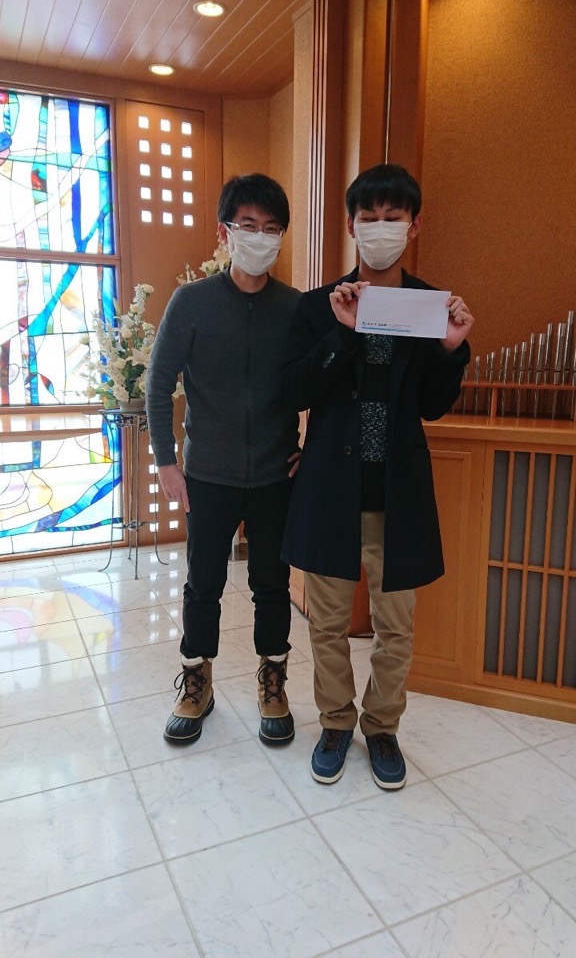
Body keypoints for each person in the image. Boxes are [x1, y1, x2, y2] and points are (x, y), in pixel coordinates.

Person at [280, 163, 474, 789]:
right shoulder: (319, 306)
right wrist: (341, 334)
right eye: (370, 218)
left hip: (398, 494)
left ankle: (382, 726)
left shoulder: (429, 307)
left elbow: (432, 406)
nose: (381, 228)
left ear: (414, 227)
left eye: (394, 218)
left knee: (396, 627)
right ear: (351, 225)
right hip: (331, 491)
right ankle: (336, 722)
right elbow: (296, 390)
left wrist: (450, 348)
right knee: (327, 624)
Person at [146, 173, 301, 747]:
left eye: (272, 228)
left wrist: (308, 449)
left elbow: (323, 385)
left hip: (274, 475)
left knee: (272, 584)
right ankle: (197, 681)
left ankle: (273, 681)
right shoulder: (192, 303)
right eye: (249, 226)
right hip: (207, 474)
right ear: (225, 232)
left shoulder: (295, 309)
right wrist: (166, 461)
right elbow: (158, 384)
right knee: (203, 582)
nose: (260, 238)